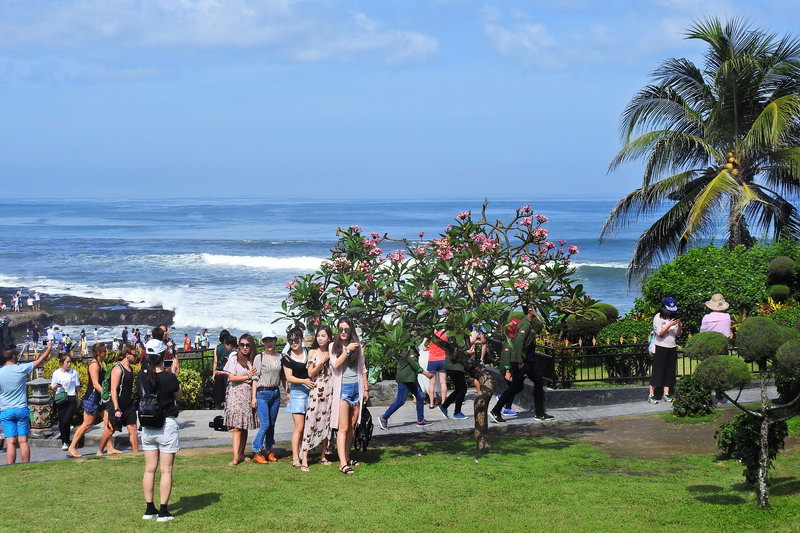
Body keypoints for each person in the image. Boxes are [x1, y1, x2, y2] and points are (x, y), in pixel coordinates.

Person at [140, 337, 181, 522]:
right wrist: (171, 372)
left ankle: (149, 509)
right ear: (163, 355)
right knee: (166, 470)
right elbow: (179, 395)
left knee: (149, 469)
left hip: (147, 425)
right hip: (166, 425)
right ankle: (163, 511)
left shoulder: (142, 376)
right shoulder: (168, 377)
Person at [491, 306, 554, 423]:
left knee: (538, 382)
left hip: (529, 361)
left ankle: (540, 413)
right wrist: (520, 361)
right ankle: (496, 410)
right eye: (535, 308)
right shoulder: (525, 324)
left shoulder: (528, 323)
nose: (537, 310)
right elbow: (519, 343)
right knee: (516, 386)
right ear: (530, 310)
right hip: (522, 361)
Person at [0, 343, 52, 464]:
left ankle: (10, 467)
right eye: (17, 354)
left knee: (11, 441)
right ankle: (25, 467)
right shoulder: (21, 368)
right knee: (23, 441)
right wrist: (48, 348)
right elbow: (39, 361)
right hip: (21, 408)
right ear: (13, 356)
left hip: (6, 409)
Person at [329, 318, 368, 476]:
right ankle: (342, 463)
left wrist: (365, 388)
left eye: (346, 329)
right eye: (341, 329)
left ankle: (347, 456)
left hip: (356, 389)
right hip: (342, 389)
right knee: (343, 427)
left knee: (352, 426)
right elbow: (335, 364)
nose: (343, 332)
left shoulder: (359, 347)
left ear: (351, 330)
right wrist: (347, 350)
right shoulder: (334, 346)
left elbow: (362, 368)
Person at [68, 343, 121, 458]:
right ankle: (72, 447)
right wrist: (106, 394)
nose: (106, 353)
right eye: (104, 351)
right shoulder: (94, 365)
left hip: (99, 398)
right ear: (98, 352)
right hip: (92, 398)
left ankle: (110, 448)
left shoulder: (101, 363)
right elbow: (95, 384)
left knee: (109, 422)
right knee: (87, 424)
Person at [300, 325, 335, 471]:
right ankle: (304, 458)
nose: (320, 338)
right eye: (318, 335)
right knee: (311, 422)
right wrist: (321, 362)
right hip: (316, 391)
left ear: (329, 338)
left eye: (323, 336)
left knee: (327, 422)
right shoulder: (313, 352)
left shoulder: (333, 352)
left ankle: (323, 455)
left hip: (330, 391)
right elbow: (310, 373)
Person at [223, 334, 258, 466]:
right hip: (236, 395)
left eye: (247, 345)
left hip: (247, 394)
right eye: (242, 345)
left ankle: (241, 453)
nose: (244, 347)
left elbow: (255, 379)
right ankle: (236, 456)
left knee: (244, 426)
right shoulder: (234, 358)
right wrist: (247, 376)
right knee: (237, 427)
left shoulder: (253, 360)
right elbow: (231, 377)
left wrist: (254, 396)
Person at [282, 326, 315, 468]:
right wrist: (304, 381)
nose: (294, 343)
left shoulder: (309, 352)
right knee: (299, 427)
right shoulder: (287, 357)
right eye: (290, 341)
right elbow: (289, 378)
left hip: (312, 392)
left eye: (296, 339)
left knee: (310, 426)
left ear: (302, 339)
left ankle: (304, 452)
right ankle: (295, 457)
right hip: (297, 393)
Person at [98, 344, 140, 454]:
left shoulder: (130, 369)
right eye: (134, 355)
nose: (136, 357)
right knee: (110, 429)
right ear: (127, 354)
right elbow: (113, 389)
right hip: (117, 404)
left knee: (133, 428)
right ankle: (100, 450)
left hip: (128, 405)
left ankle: (136, 454)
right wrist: (116, 408)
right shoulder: (118, 368)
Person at [379, 348, 433, 430]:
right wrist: (426, 374)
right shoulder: (408, 349)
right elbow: (414, 364)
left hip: (411, 379)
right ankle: (384, 418)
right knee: (400, 401)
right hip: (405, 379)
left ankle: (420, 420)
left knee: (420, 397)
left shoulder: (413, 348)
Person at [251, 330, 282, 464]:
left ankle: (268, 450)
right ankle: (257, 450)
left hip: (275, 393)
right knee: (265, 424)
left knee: (272, 424)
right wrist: (254, 397)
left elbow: (284, 377)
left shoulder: (280, 357)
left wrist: (288, 393)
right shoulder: (260, 357)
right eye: (266, 340)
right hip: (262, 393)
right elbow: (255, 378)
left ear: (275, 341)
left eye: (271, 340)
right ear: (263, 342)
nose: (269, 343)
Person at [648, 297, 683, 404]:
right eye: (668, 309)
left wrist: (679, 326)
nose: (670, 312)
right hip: (660, 347)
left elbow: (677, 334)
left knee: (669, 372)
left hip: (672, 346)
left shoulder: (673, 318)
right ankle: (651, 395)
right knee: (658, 371)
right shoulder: (658, 317)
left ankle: (666, 393)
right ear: (663, 308)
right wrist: (669, 324)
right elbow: (660, 333)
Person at [700, 293, 732, 405]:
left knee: (708, 372)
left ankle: (706, 397)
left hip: (709, 347)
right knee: (721, 373)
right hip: (722, 347)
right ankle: (719, 399)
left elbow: (702, 334)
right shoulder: (727, 317)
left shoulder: (706, 318)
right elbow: (727, 335)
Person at [50, 352, 81, 450]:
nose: (69, 364)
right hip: (61, 397)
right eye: (67, 362)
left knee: (66, 420)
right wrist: (55, 386)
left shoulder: (74, 372)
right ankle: (65, 441)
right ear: (62, 363)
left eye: (70, 362)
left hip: (71, 397)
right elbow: (52, 386)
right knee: (62, 421)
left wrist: (78, 398)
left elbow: (77, 386)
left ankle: (67, 441)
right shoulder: (56, 373)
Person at [440, 341, 468, 420]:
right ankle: (457, 412)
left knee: (459, 389)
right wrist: (467, 350)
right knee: (462, 389)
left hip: (454, 367)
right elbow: (455, 353)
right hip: (455, 367)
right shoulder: (457, 338)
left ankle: (444, 406)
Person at [425, 330, 448, 409]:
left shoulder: (429, 334)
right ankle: (443, 402)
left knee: (431, 383)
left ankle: (431, 403)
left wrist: (431, 349)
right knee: (443, 382)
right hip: (443, 359)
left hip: (432, 360)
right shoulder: (445, 333)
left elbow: (424, 348)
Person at [212, 331, 234, 407]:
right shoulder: (231, 347)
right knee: (228, 391)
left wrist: (213, 373)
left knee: (219, 392)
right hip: (228, 372)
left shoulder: (217, 347)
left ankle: (218, 406)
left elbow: (215, 362)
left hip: (219, 371)